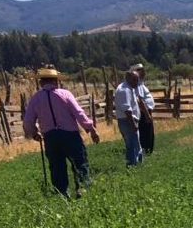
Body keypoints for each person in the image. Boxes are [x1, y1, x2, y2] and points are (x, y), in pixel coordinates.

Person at [23, 66, 100, 197]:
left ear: (41, 82)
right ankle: (82, 190)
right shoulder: (65, 94)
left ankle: (62, 194)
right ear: (56, 81)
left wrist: (34, 133)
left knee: (57, 167)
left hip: (50, 137)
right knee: (79, 162)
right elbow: (79, 113)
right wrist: (91, 129)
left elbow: (28, 121)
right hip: (70, 135)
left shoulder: (35, 98)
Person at [114, 70, 144, 167]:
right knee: (133, 145)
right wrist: (133, 123)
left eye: (137, 79)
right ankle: (133, 165)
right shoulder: (124, 90)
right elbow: (127, 109)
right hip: (127, 120)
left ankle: (136, 164)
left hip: (127, 120)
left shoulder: (128, 88)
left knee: (133, 144)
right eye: (134, 79)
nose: (136, 82)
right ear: (128, 79)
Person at [129, 63, 155, 154]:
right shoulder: (137, 84)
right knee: (146, 131)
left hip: (145, 110)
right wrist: (146, 114)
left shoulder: (140, 83)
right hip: (143, 111)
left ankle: (148, 149)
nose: (142, 72)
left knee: (148, 131)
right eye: (139, 70)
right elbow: (140, 99)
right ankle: (146, 150)